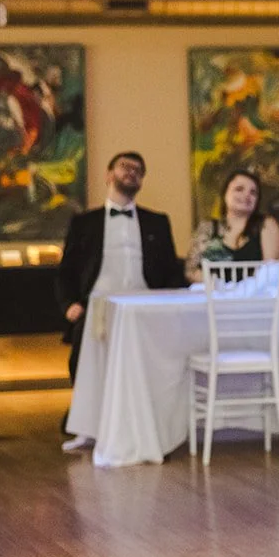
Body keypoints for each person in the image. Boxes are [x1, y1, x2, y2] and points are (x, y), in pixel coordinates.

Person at [56, 152, 186, 401]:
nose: (131, 172)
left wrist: (168, 304)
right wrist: (69, 304)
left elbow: (171, 270)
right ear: (108, 175)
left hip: (145, 307)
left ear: (141, 181)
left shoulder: (157, 222)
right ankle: (87, 419)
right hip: (97, 307)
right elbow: (67, 271)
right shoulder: (84, 223)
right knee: (84, 361)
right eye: (124, 166)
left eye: (138, 170)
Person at [183, 170, 279, 282]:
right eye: (239, 189)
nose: (246, 195)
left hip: (253, 297)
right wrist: (216, 286)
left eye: (253, 192)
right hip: (212, 296)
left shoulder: (266, 224)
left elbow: (270, 273)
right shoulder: (208, 227)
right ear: (225, 194)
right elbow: (191, 270)